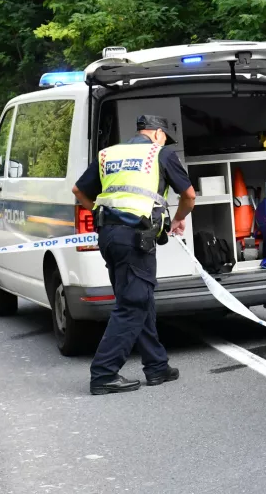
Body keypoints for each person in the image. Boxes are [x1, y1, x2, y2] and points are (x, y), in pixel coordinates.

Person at [72, 114, 197, 395]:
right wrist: (178, 220)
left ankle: (156, 366)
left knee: (139, 299)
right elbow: (189, 196)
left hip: (109, 235)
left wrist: (101, 213)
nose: (166, 141)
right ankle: (104, 374)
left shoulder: (108, 154)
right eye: (166, 137)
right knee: (133, 304)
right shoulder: (160, 153)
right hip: (135, 238)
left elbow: (79, 190)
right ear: (158, 134)